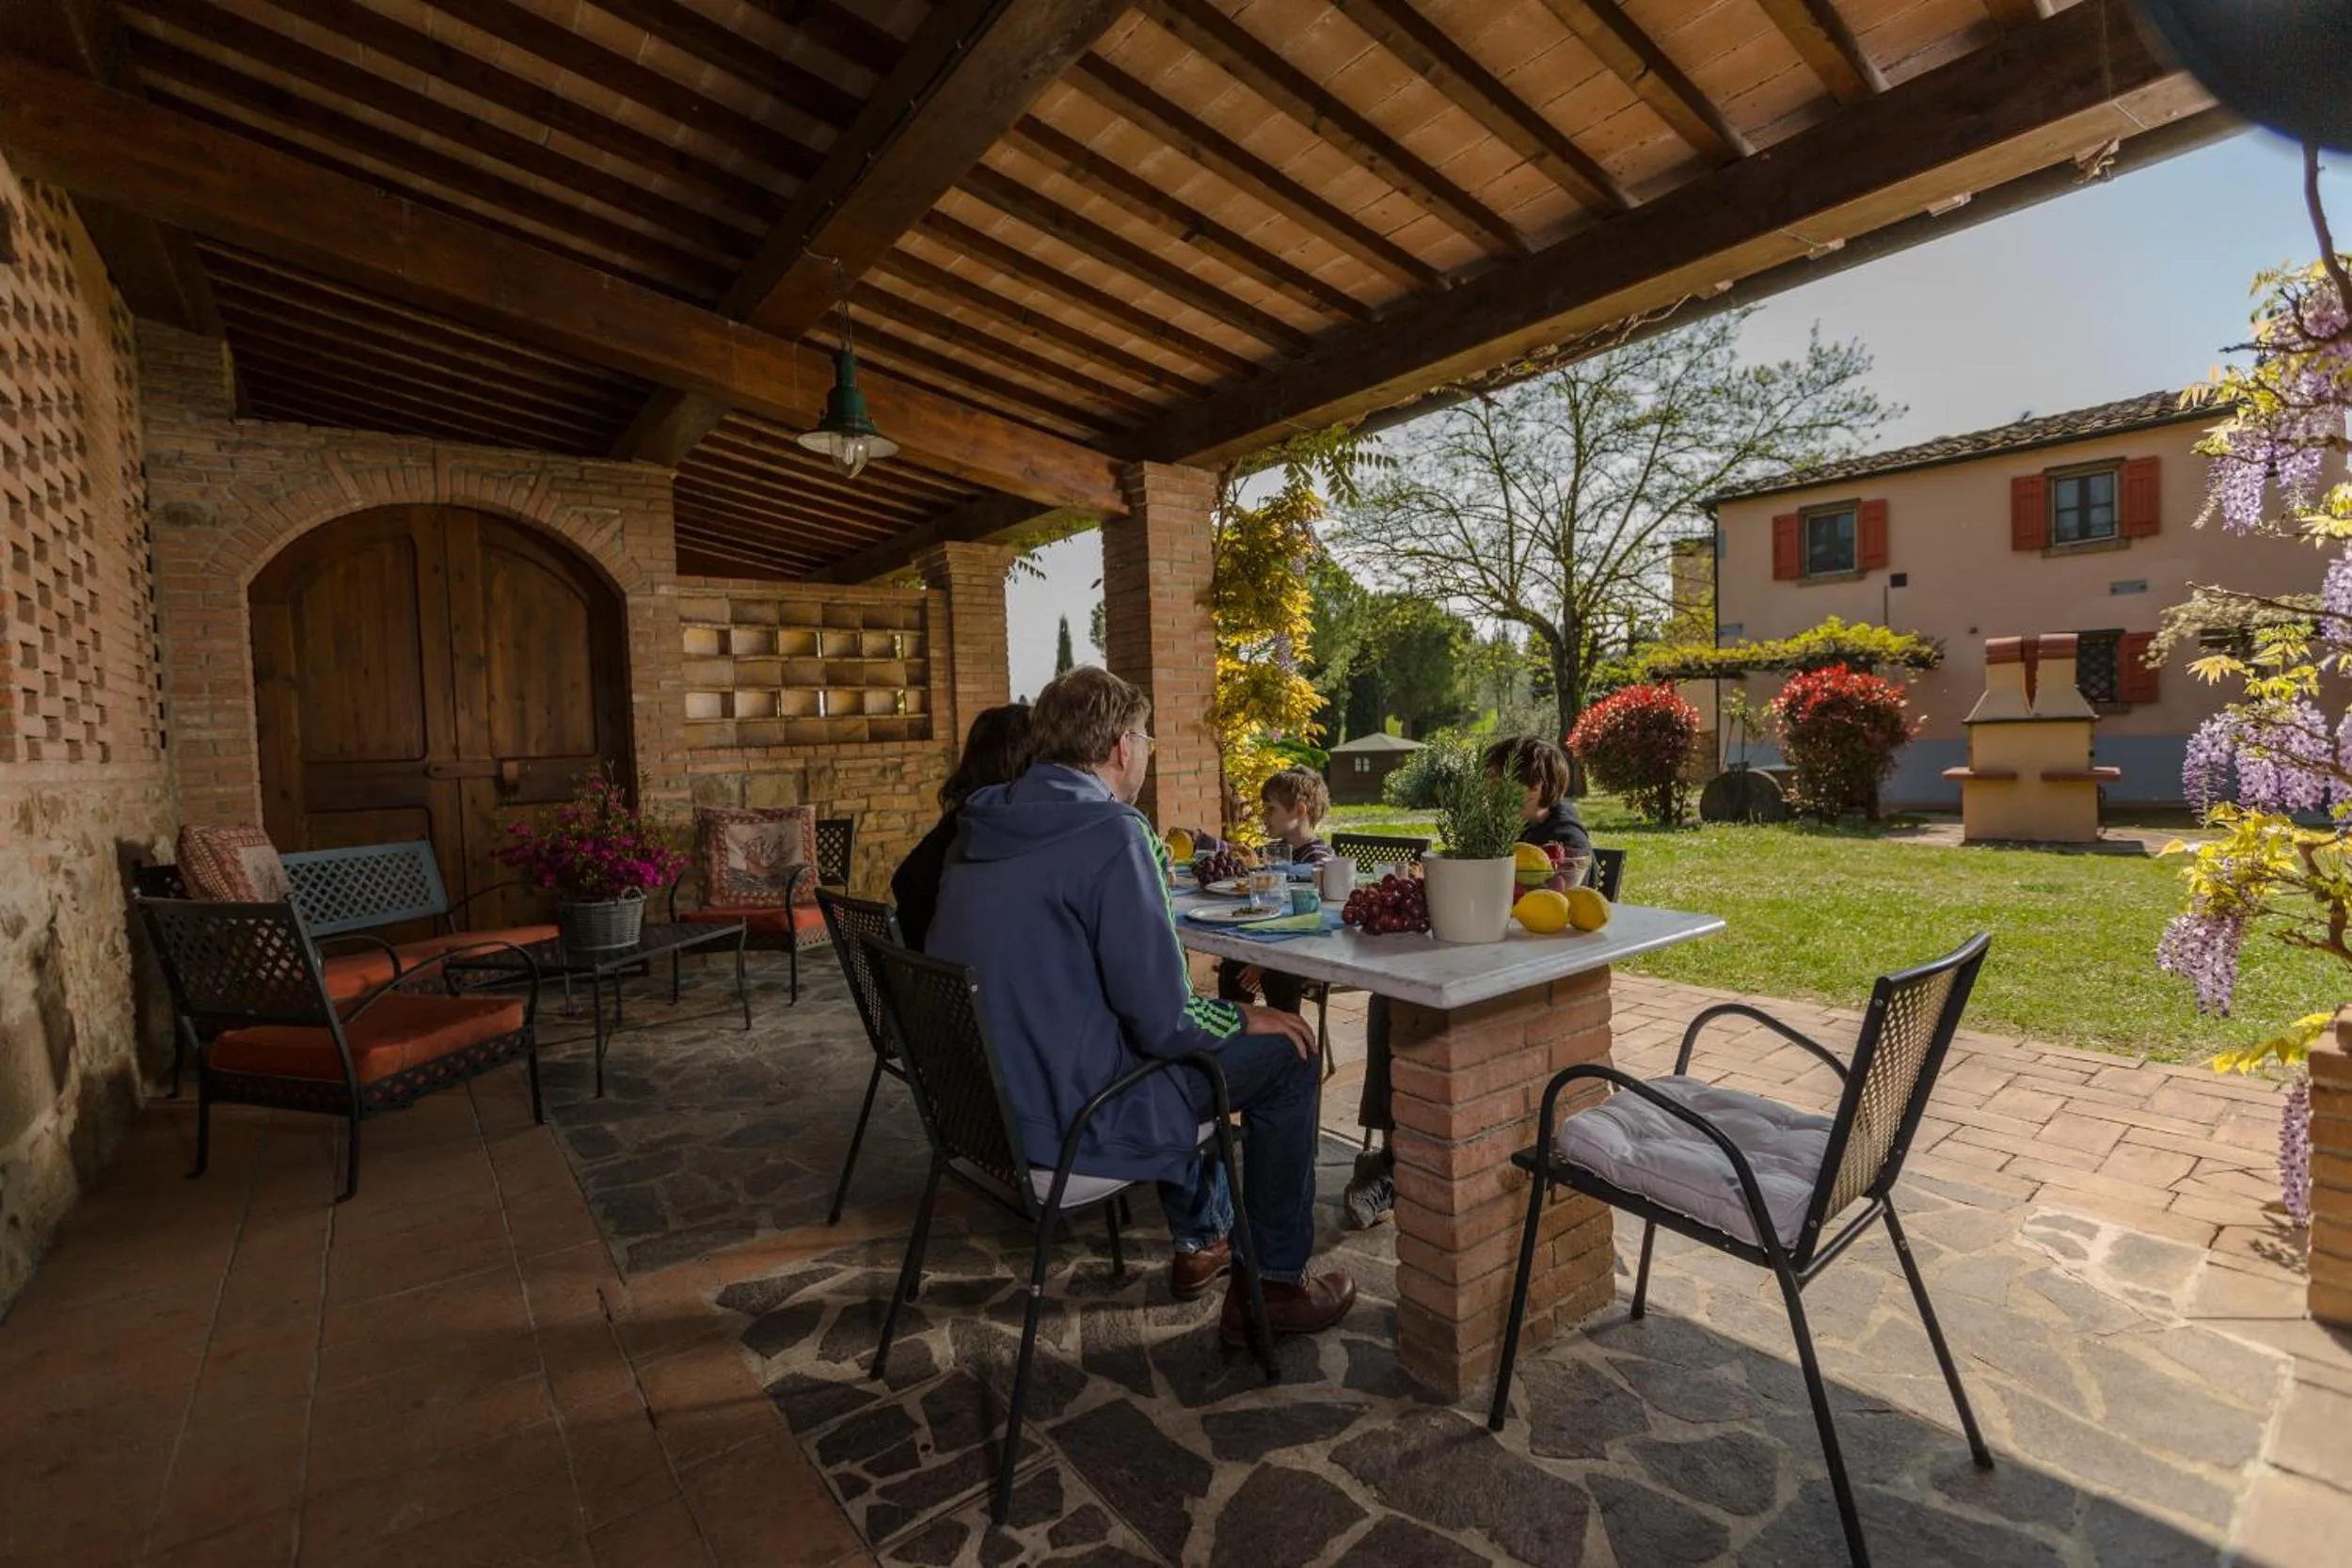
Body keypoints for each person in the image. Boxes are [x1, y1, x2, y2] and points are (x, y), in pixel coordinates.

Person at [927, 667, 1357, 1341]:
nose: (1149, 750)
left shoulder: (981, 826)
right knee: (1291, 1052)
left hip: (989, 1113)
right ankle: (1273, 1286)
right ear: (1121, 747)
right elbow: (1167, 1020)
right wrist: (1249, 1014)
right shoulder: (1111, 832)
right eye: (1147, 736)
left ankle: (1206, 1235)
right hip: (1076, 1119)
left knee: (1208, 1045)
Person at [1342, 736, 1596, 1229]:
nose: (1487, 795)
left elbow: (1551, 902)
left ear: (1536, 786)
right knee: (1391, 998)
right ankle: (1397, 1151)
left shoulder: (1566, 838)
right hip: (1478, 958)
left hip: (1526, 982)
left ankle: (1397, 1163)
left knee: (1409, 1007)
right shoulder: (1503, 830)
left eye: (1497, 785)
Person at [891, 703, 1032, 951]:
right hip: (942, 974)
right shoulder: (981, 831)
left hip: (924, 972)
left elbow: (903, 880)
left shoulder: (961, 819)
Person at [1215, 767, 1334, 1016]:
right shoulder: (1275, 851)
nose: (1264, 816)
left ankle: (1288, 1040)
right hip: (1272, 941)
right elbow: (1240, 856)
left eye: (1271, 808)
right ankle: (1236, 1036)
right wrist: (1201, 840)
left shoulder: (1319, 858)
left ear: (1300, 810)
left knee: (1277, 978)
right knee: (1231, 969)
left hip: (1305, 947)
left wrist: (1262, 961)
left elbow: (1308, 895)